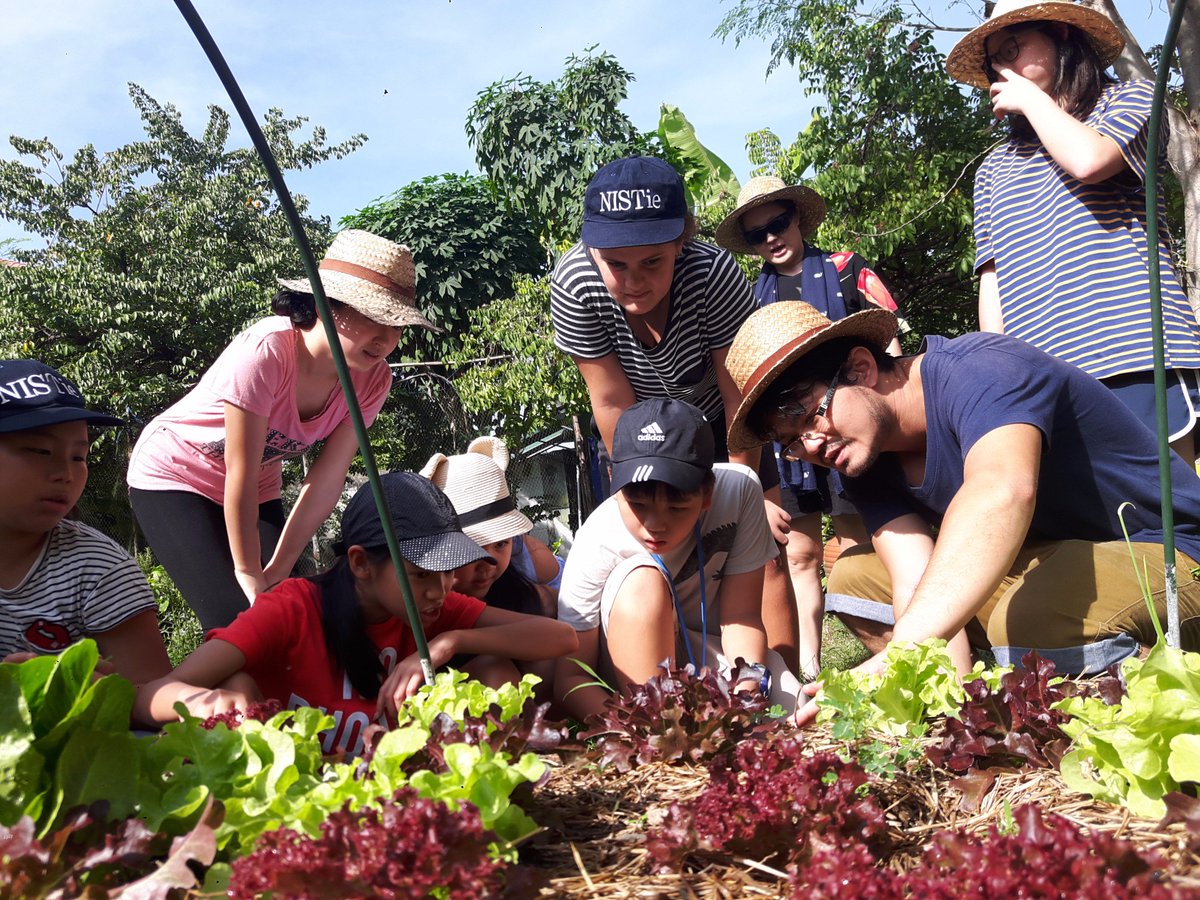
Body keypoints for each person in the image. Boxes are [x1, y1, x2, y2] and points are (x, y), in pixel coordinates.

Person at [723, 301, 1200, 725]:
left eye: (810, 418)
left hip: (1166, 551)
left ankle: (1128, 684)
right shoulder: (861, 461)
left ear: (862, 368)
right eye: (790, 442)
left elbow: (1001, 492)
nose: (810, 447)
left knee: (1029, 613)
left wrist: (903, 652)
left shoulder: (982, 369)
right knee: (855, 579)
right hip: (1043, 561)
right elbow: (914, 574)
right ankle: (1001, 684)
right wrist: (956, 706)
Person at [550, 155, 799, 674]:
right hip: (638, 438)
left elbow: (738, 394)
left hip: (725, 424)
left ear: (681, 242)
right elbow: (611, 402)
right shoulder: (575, 283)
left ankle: (783, 682)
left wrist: (738, 494)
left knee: (765, 551)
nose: (632, 282)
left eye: (651, 263)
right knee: (651, 562)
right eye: (615, 264)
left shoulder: (713, 274)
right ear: (593, 250)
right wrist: (647, 489)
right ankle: (657, 678)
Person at [135, 472, 579, 755]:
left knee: (495, 667)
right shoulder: (292, 609)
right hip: (297, 793)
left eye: (447, 572)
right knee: (235, 682)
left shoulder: (436, 609)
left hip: (394, 793)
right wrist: (204, 702)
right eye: (420, 574)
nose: (439, 590)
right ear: (360, 564)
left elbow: (561, 638)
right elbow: (149, 696)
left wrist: (453, 641)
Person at [128, 230, 433, 632]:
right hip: (174, 472)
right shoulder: (268, 349)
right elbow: (240, 468)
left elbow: (327, 477)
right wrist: (248, 571)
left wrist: (280, 567)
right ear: (327, 306)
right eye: (375, 318)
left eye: (397, 326)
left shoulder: (372, 380)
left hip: (258, 483)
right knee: (234, 620)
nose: (387, 338)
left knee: (286, 612)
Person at [947, 0, 1200, 460]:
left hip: (1135, 354)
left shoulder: (1129, 100)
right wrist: (1001, 377)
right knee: (1091, 531)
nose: (1005, 69)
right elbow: (993, 280)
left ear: (1061, 33)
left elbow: (1089, 160)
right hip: (1046, 384)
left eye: (1013, 48)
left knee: (1170, 521)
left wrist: (1031, 99)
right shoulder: (993, 169)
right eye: (995, 62)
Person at [715, 175, 908, 680]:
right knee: (799, 553)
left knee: (857, 540)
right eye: (757, 234)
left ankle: (891, 644)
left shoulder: (847, 270)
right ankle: (809, 667)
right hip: (789, 444)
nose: (771, 238)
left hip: (847, 428)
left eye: (778, 223)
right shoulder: (749, 299)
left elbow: (890, 344)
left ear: (797, 218)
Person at [553, 398, 800, 722]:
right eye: (638, 504)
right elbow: (571, 679)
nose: (655, 524)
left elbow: (741, 617)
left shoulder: (740, 491)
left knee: (798, 725)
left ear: (708, 492)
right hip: (624, 685)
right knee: (642, 584)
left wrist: (747, 688)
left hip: (713, 653)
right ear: (613, 479)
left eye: (677, 507)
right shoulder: (596, 541)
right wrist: (633, 732)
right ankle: (662, 723)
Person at [0, 359, 171, 690]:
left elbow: (152, 693)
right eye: (40, 450)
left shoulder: (99, 569)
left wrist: (84, 688)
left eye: (79, 456)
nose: (65, 473)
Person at [421, 436, 561, 700]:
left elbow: (567, 635)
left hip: (530, 711)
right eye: (473, 546)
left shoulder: (526, 587)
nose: (490, 562)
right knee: (494, 670)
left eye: (501, 543)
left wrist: (456, 641)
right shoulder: (426, 603)